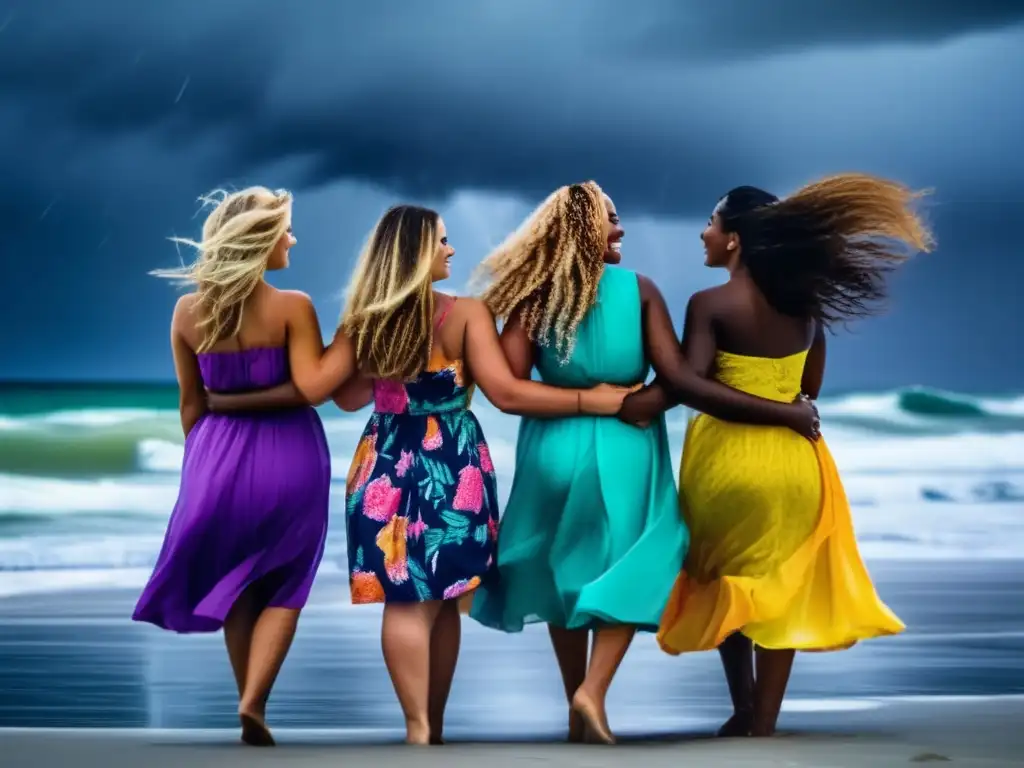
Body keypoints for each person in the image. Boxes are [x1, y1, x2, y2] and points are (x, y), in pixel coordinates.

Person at [207, 203, 632, 746]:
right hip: (452, 462)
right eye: (442, 242)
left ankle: (421, 726)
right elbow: (505, 393)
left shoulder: (366, 318)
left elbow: (343, 395)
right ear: (415, 253)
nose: (452, 250)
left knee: (408, 596)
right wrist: (588, 400)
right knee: (440, 597)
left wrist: (384, 374)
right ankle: (426, 725)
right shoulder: (465, 314)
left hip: (385, 457)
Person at [467, 181, 820, 745]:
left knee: (563, 571)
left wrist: (571, 393)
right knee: (640, 559)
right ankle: (595, 692)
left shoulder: (536, 297)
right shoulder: (641, 290)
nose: (621, 227)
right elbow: (677, 378)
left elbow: (508, 386)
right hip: (626, 442)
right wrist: (629, 402)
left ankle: (573, 704)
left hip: (551, 448)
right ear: (585, 229)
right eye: (611, 217)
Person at [619, 174, 931, 738]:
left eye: (712, 223)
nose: (703, 233)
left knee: (726, 580)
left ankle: (742, 708)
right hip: (794, 465)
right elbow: (809, 388)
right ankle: (764, 720)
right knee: (776, 586)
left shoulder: (709, 303)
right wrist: (786, 412)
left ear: (735, 238)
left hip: (725, 466)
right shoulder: (805, 308)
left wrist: (633, 401)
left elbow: (691, 384)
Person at [133, 187, 358, 747]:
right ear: (259, 240)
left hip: (215, 460)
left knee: (239, 584)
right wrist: (352, 337)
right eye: (285, 229)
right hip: (290, 458)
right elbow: (310, 388)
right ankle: (254, 700)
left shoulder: (187, 311)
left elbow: (192, 404)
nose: (293, 239)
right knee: (286, 583)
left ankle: (247, 700)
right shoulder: (293, 306)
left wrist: (201, 467)